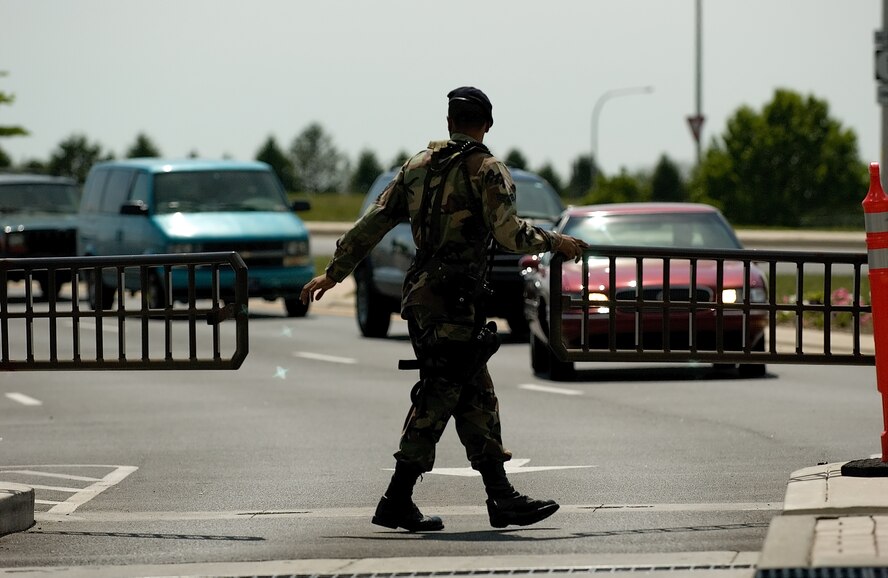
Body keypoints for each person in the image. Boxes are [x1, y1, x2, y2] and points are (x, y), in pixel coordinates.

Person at [300, 86, 588, 532]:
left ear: (450, 121)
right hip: (452, 300)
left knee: (475, 396)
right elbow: (510, 234)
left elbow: (373, 221)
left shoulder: (416, 167)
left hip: (424, 296)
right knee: (440, 395)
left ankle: (501, 497)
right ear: (486, 124)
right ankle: (397, 499)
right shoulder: (487, 169)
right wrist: (556, 242)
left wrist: (334, 273)